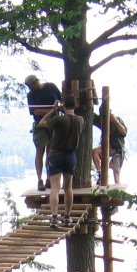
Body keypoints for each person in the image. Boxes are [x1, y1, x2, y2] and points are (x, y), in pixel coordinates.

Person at [37, 95, 83, 228]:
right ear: (76, 106)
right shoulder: (80, 120)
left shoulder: (58, 119)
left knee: (55, 188)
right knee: (68, 187)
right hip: (70, 156)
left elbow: (42, 123)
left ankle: (54, 217)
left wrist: (53, 110)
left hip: (56, 155)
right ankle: (67, 217)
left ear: (63, 106)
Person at [24, 74, 62, 191]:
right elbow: (35, 111)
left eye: (33, 85)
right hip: (40, 126)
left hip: (53, 124)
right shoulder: (31, 95)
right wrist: (53, 109)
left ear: (37, 81)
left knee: (50, 152)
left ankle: (49, 178)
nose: (33, 88)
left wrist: (57, 107)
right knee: (40, 152)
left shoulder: (51, 87)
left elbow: (61, 100)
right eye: (30, 86)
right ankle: (39, 179)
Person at [92, 110, 128, 184]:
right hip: (108, 146)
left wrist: (115, 120)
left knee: (116, 172)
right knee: (94, 152)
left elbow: (124, 133)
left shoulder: (117, 120)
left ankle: (117, 190)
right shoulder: (102, 121)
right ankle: (100, 173)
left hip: (118, 148)